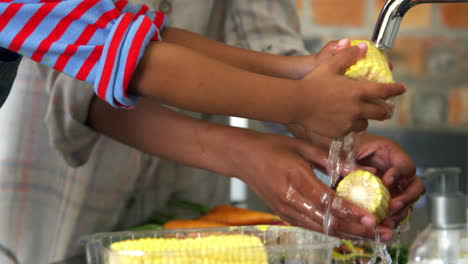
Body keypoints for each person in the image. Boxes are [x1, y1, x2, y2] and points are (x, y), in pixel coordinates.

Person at [0, 1, 423, 263]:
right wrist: (300, 105)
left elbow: (139, 31)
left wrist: (304, 78)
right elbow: (118, 59)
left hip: (182, 193)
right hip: (59, 195)